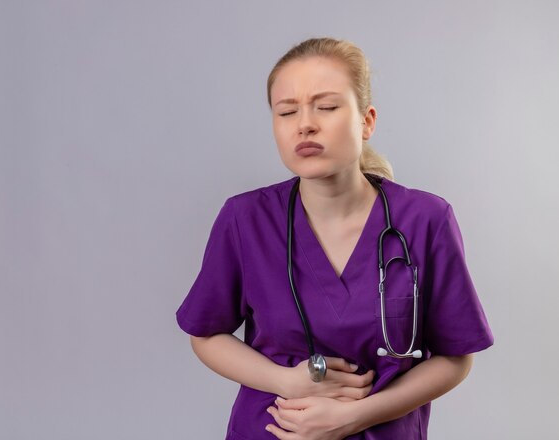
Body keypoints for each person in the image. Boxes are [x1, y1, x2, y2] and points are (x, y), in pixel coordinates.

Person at [175, 36, 494, 439]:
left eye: (326, 107)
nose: (305, 123)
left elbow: (455, 356)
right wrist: (285, 381)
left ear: (366, 121)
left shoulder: (426, 220)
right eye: (286, 112)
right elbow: (205, 333)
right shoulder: (245, 219)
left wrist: (359, 416)